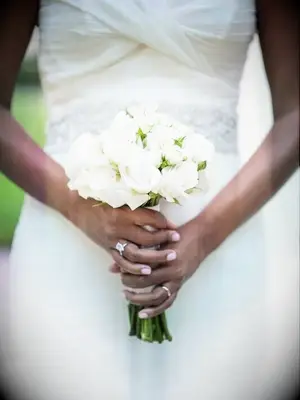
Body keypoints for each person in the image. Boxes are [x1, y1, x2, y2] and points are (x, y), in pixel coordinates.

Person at [0, 1, 298, 399]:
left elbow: (294, 114)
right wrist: (80, 209)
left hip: (224, 238)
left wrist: (203, 236)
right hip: (65, 236)